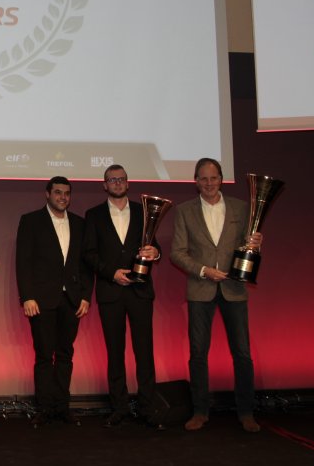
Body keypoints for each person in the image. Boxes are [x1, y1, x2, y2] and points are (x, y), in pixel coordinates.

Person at [170, 158, 263, 433]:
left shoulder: (241, 208)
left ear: (221, 179)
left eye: (213, 178)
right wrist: (203, 270)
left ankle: (246, 412)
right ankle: (200, 411)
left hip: (234, 288)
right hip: (200, 289)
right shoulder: (184, 211)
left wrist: (256, 244)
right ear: (196, 181)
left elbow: (248, 247)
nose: (209, 183)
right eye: (203, 178)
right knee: (198, 354)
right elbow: (177, 253)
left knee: (242, 354)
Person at [83, 164, 163, 430]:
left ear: (128, 183)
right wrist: (111, 273)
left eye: (121, 179)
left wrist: (155, 253)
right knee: (115, 353)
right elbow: (89, 253)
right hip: (111, 291)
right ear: (104, 185)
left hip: (140, 291)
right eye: (111, 179)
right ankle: (119, 408)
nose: (117, 183)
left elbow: (154, 246)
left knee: (145, 352)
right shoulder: (93, 215)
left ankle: (147, 408)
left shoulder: (144, 211)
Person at [15, 176, 90, 427]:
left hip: (72, 300)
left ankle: (62, 407)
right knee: (45, 356)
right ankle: (44, 408)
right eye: (58, 192)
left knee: (66, 355)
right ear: (47, 194)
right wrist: (27, 296)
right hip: (41, 300)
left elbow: (86, 264)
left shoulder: (79, 223)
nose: (62, 197)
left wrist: (86, 296)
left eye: (66, 193)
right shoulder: (31, 221)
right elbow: (23, 262)